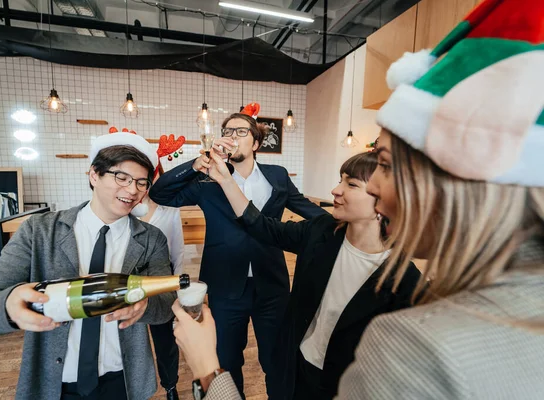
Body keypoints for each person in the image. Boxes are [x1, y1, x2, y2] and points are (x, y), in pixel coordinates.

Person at [174, 1, 544, 399]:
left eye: (383, 166)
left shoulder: (417, 335)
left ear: (442, 177)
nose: (373, 187)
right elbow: (261, 225)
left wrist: (208, 371)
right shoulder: (326, 236)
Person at [175, 151, 420, 399]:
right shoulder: (322, 231)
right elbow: (262, 226)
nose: (335, 190)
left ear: (386, 201)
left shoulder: (404, 282)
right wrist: (227, 181)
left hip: (342, 386)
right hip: (294, 366)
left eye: (351, 184)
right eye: (340, 179)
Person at [0, 132, 176, 400]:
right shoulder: (40, 231)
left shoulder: (151, 238)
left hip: (123, 379)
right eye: (122, 177)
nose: (132, 190)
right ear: (94, 175)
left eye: (142, 183)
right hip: (54, 382)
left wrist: (146, 305)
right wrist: (9, 304)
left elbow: (166, 305)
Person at [149, 105, 327, 398]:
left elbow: (306, 208)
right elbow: (160, 193)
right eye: (227, 131)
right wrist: (199, 162)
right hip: (225, 285)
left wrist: (344, 223)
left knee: (276, 359)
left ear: (255, 143)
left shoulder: (277, 176)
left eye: (240, 131)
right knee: (228, 361)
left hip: (272, 285)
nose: (232, 136)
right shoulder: (207, 180)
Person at [142, 162, 185, 400]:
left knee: (165, 339)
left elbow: (177, 252)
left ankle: (170, 385)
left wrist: (177, 287)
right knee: (135, 335)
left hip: (163, 279)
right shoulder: (126, 208)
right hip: (133, 278)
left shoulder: (170, 210)